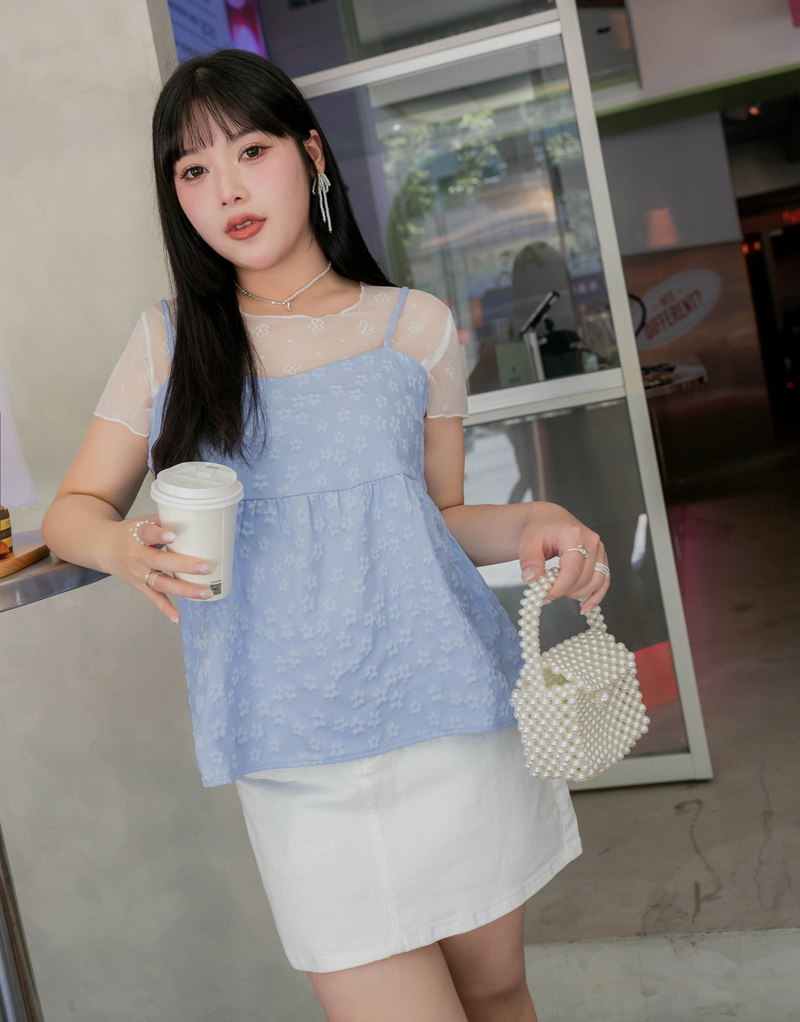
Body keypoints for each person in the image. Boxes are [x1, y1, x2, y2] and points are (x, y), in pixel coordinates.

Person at [42, 50, 611, 1022]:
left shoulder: (413, 328)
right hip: (291, 745)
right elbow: (72, 510)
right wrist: (120, 545)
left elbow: (436, 517)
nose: (226, 189)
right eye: (193, 169)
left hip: (446, 719)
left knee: (495, 993)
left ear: (308, 154)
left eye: (249, 151)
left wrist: (534, 519)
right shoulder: (170, 342)